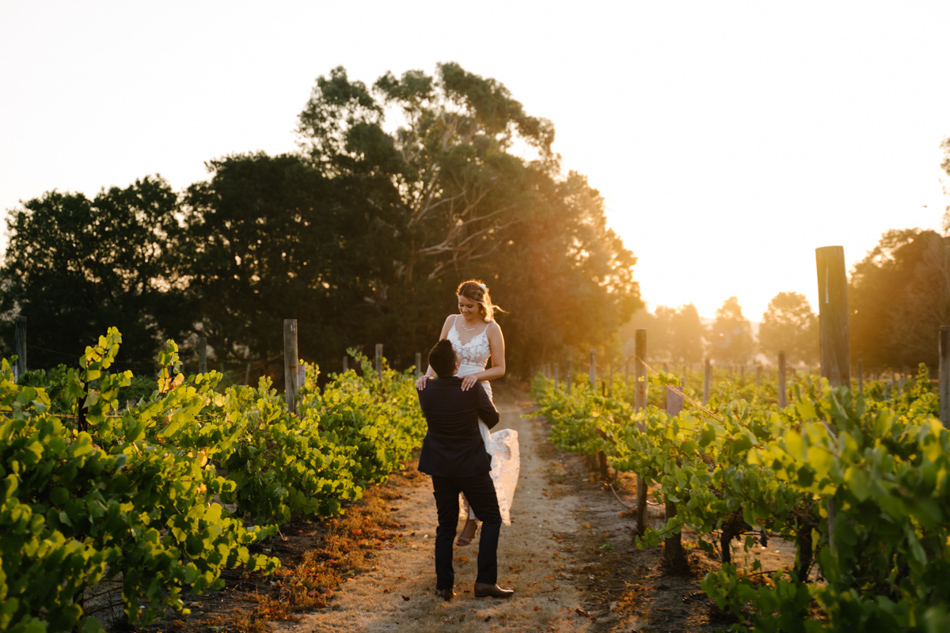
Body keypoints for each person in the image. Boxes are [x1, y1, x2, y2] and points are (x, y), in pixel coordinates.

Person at [415, 280, 519, 547]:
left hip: (475, 390)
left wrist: (474, 376)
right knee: (450, 449)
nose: (463, 310)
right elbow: (438, 354)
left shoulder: (492, 328)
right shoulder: (450, 321)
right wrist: (428, 378)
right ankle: (458, 512)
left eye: (469, 306)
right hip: (446, 389)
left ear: (481, 305)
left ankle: (473, 517)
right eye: (460, 304)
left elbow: (500, 368)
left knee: (476, 453)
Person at [417, 339, 514, 601]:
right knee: (492, 517)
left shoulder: (424, 389)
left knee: (445, 526)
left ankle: (444, 586)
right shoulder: (469, 388)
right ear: (457, 364)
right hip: (471, 465)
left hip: (440, 466)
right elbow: (493, 418)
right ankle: (484, 582)